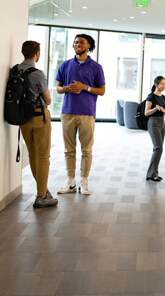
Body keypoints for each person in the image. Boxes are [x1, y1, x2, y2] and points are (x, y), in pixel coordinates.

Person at [56, 34, 106, 195]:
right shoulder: (65, 65)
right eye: (76, 42)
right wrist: (66, 89)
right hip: (67, 112)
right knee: (68, 150)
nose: (78, 44)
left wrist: (85, 87)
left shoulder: (96, 67)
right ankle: (70, 181)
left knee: (86, 150)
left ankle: (84, 180)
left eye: (82, 42)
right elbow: (58, 88)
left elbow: (102, 91)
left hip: (87, 113)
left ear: (89, 46)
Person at [17, 41, 58, 208]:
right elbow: (48, 99)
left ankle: (43, 190)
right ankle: (41, 195)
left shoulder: (15, 70)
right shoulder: (37, 73)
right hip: (39, 117)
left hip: (22, 119)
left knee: (33, 155)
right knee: (43, 156)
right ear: (37, 53)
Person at [145, 76, 165, 182]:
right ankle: (151, 173)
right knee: (158, 147)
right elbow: (146, 113)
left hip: (162, 123)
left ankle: (154, 172)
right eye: (162, 84)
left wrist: (163, 110)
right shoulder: (151, 97)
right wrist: (155, 108)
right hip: (153, 123)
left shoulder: (163, 98)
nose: (164, 86)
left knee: (159, 148)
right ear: (156, 85)